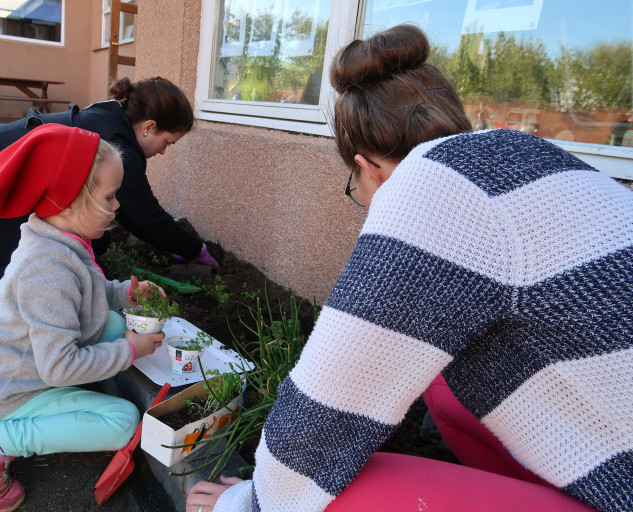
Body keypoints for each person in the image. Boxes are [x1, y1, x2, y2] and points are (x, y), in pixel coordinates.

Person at [187, 24, 632, 512]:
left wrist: (248, 501)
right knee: (442, 376)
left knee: (341, 495)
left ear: (367, 168)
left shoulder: (434, 185)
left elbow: (322, 419)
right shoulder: (526, 156)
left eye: (355, 188)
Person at [0, 76, 218, 363]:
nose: (163, 151)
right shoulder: (115, 144)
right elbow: (144, 216)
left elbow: (131, 214)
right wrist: (194, 250)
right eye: (167, 143)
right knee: (46, 264)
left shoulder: (106, 119)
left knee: (94, 241)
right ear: (149, 127)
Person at [0, 124, 166, 512]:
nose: (117, 206)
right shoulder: (48, 269)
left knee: (109, 322)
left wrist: (123, 292)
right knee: (124, 422)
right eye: (109, 197)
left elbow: (85, 294)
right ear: (69, 199)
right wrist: (130, 351)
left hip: (17, 373)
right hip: (2, 395)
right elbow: (59, 366)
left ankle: (19, 425)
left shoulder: (60, 239)